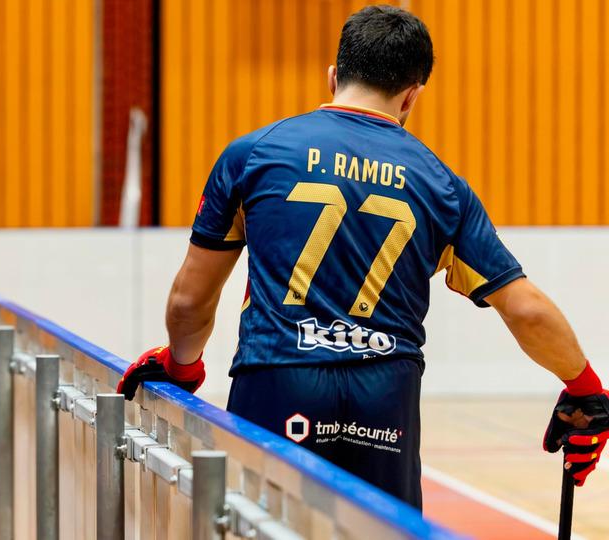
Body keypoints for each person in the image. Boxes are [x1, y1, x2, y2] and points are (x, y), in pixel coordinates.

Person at [117, 5, 609, 508]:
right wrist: (587, 390)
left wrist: (182, 367)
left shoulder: (253, 154)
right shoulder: (443, 187)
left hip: (278, 380)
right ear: (412, 96)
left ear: (334, 76)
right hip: (384, 399)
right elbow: (525, 308)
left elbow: (189, 302)